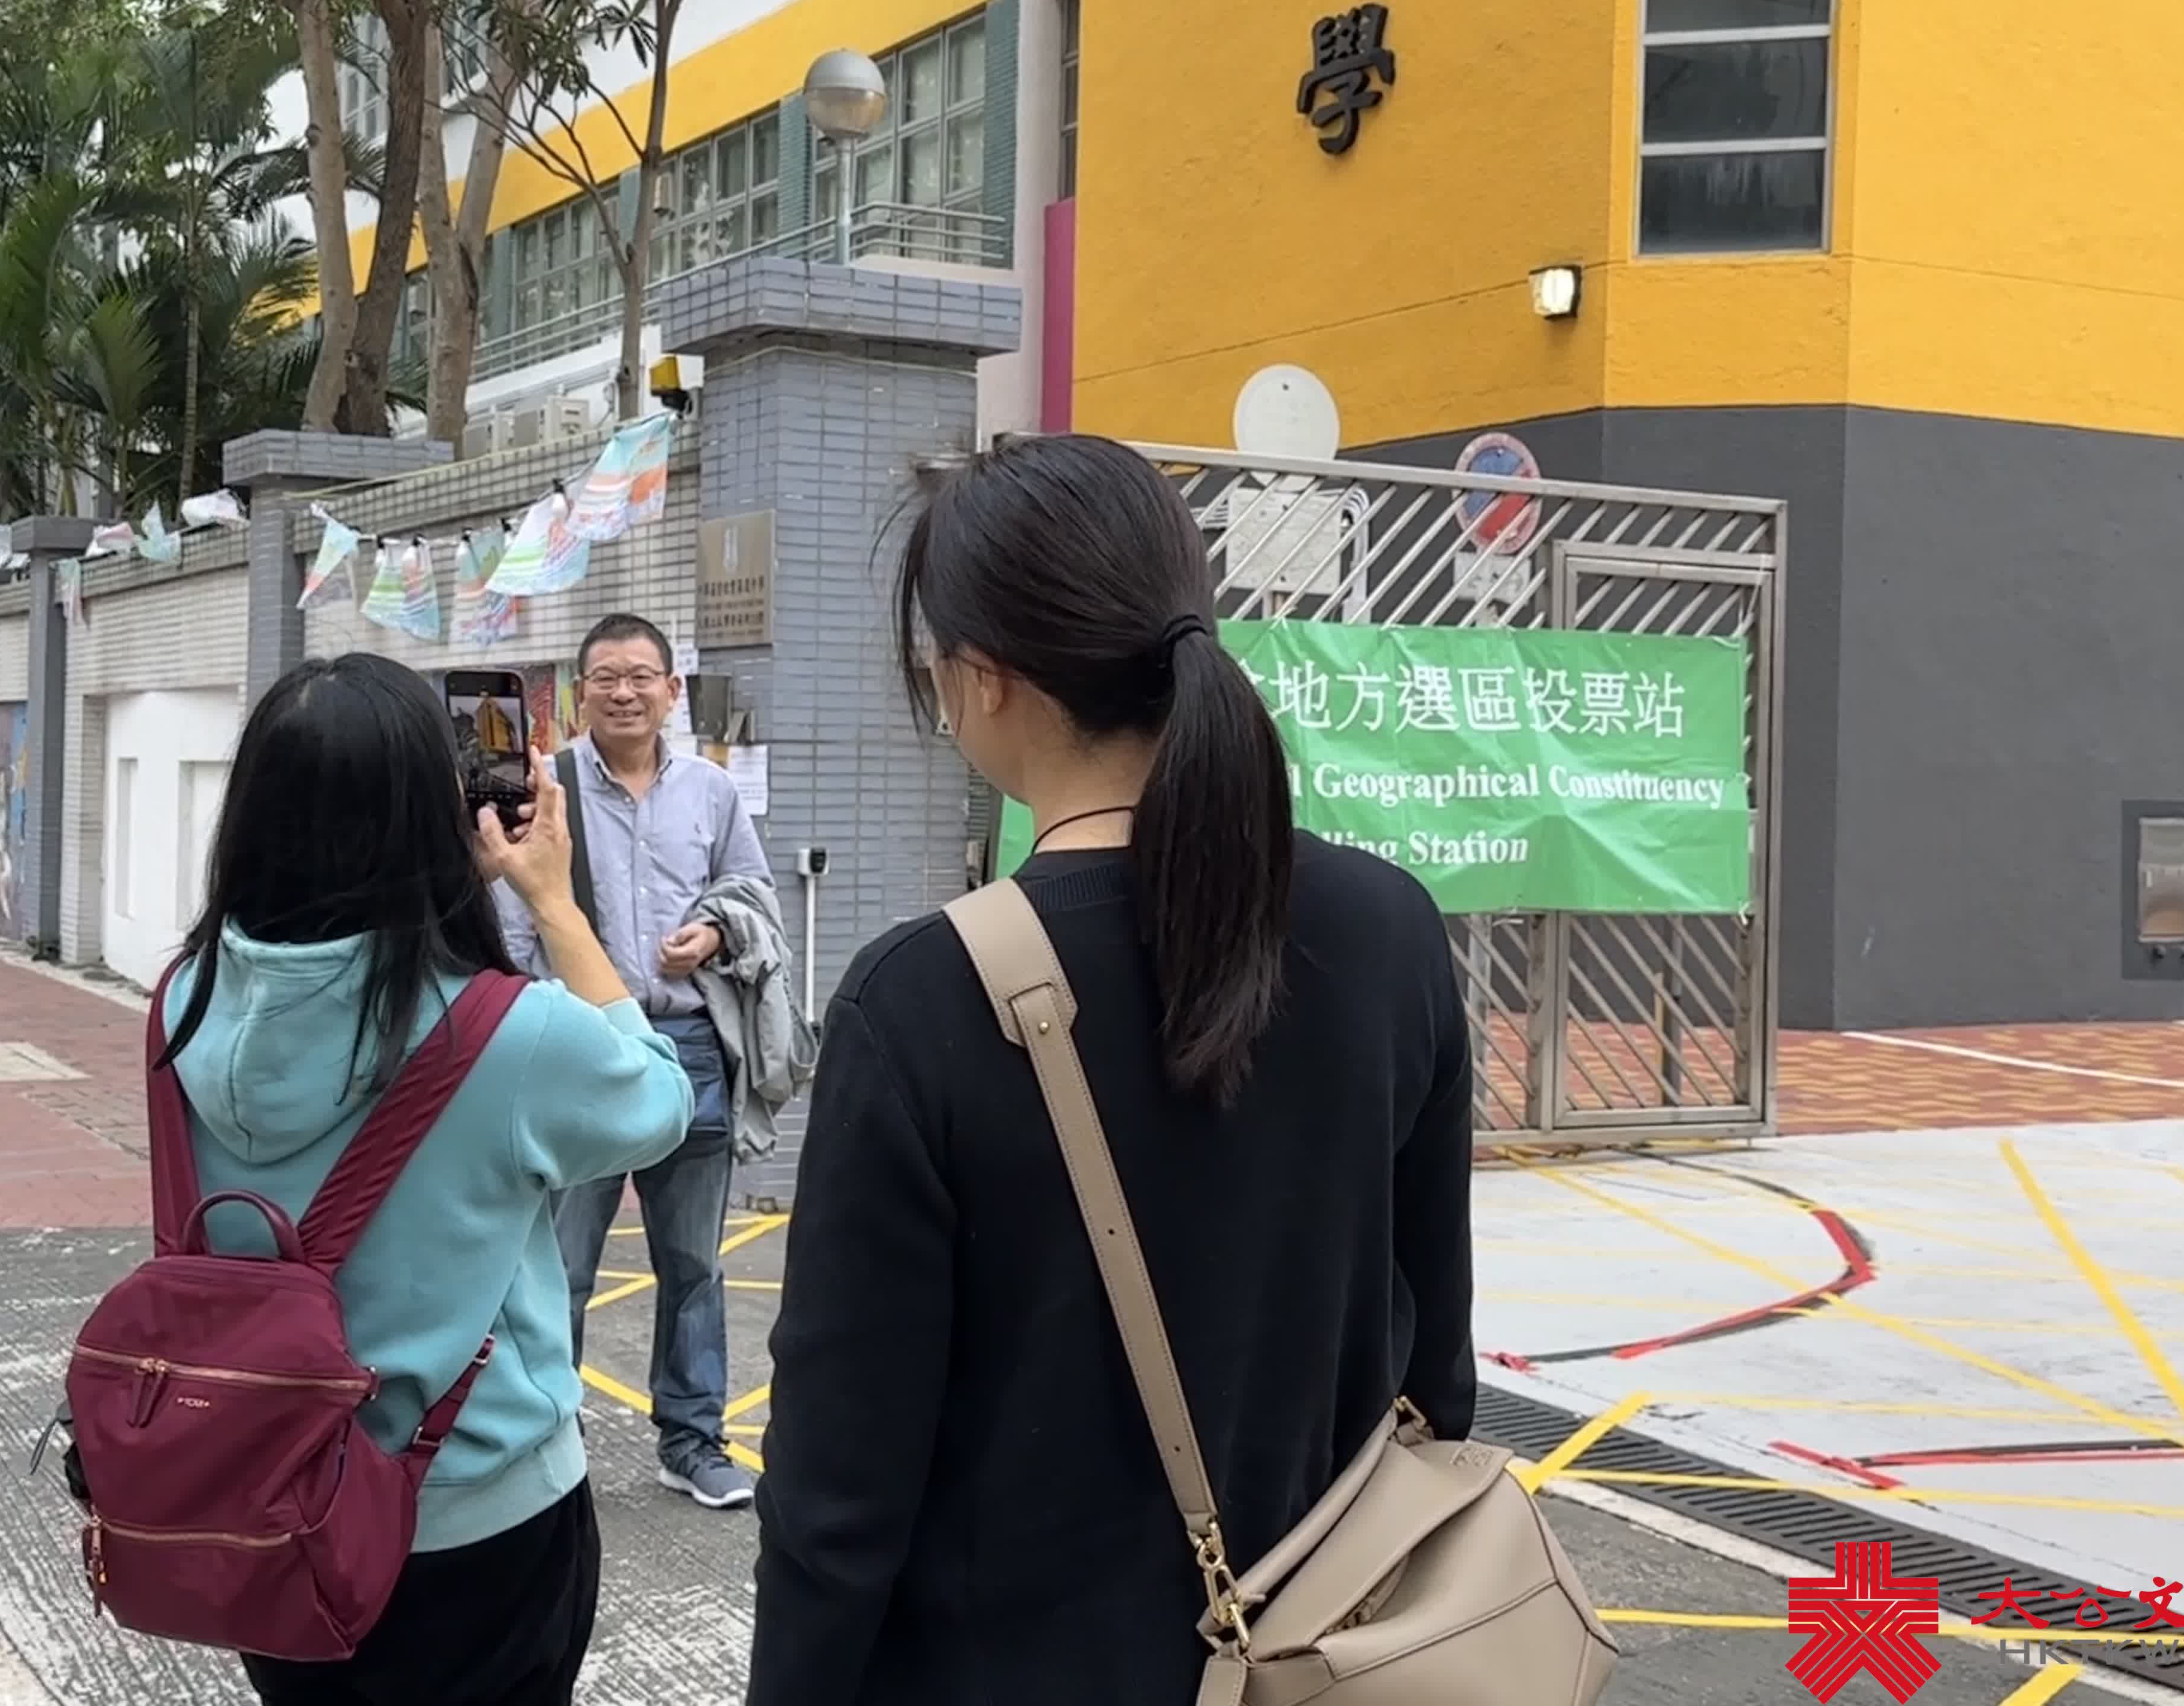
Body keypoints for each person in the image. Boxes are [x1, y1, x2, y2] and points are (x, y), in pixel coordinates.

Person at [748, 435, 1476, 1706]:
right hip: (1326, 1659)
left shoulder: (918, 1000)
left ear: (983, 679)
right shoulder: (1390, 929)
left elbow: (838, 1496)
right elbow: (1438, 1377)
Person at [156, 652, 694, 1705]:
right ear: (431, 821)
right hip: (476, 1515)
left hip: (268, 1494)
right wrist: (554, 903)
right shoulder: (507, 1036)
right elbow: (657, 1101)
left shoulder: (181, 1001)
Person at [498, 613, 774, 1511]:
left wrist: (716, 931)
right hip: (578, 1051)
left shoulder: (711, 792)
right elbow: (512, 924)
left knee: (693, 1262)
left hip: (690, 1047)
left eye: (642, 676)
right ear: (580, 694)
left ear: (672, 690)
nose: (625, 692)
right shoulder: (546, 791)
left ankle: (691, 1442)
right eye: (607, 678)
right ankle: (550, 1433)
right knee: (563, 1265)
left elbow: (753, 889)